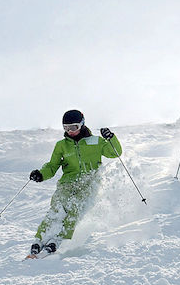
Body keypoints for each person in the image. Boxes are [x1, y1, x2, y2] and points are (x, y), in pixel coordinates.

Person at [27, 110, 123, 257]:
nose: (70, 131)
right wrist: (41, 174)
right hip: (68, 182)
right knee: (58, 206)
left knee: (75, 207)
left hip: (90, 182)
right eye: (66, 128)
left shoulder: (95, 142)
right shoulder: (62, 145)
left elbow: (115, 153)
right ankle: (40, 238)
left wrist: (111, 138)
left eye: (73, 127)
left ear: (82, 125)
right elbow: (52, 166)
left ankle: (58, 239)